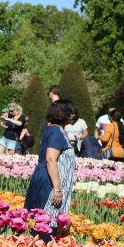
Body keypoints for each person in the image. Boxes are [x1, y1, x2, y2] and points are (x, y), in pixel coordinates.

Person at [24, 100, 78, 235]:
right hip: (49, 184)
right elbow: (50, 159)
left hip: (47, 180)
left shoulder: (54, 129)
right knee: (47, 225)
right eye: (70, 112)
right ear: (62, 113)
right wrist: (58, 189)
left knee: (44, 225)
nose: (73, 115)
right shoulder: (55, 132)